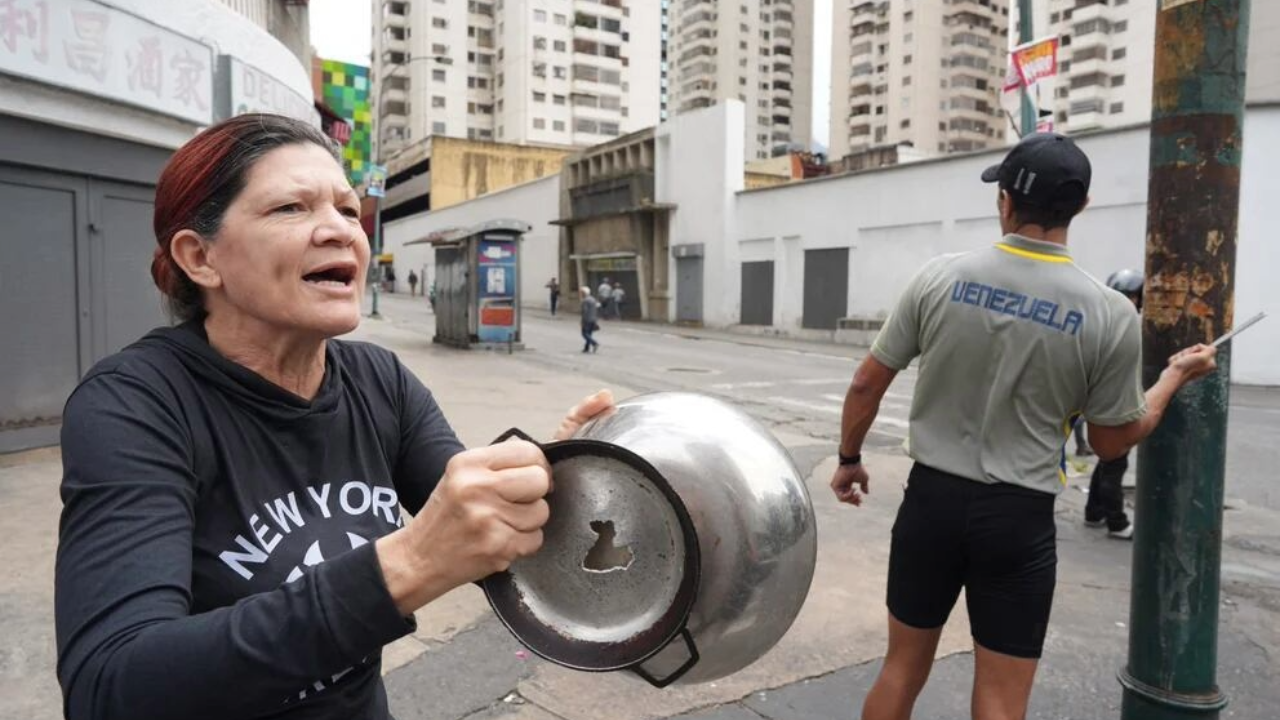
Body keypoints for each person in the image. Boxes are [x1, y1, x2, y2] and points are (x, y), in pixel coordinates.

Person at [53, 114, 615, 720]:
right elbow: (112, 685)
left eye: (349, 211)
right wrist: (409, 564)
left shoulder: (381, 381)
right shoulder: (136, 402)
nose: (341, 232)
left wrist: (560, 482)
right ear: (200, 257)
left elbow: (479, 530)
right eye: (292, 208)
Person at [829, 133, 1218, 720]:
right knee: (1002, 698)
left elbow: (866, 383)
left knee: (901, 669)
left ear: (1004, 201)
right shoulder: (1109, 312)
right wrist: (1171, 380)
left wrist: (849, 457)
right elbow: (1112, 440)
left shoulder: (940, 277)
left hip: (931, 503)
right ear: (1080, 208)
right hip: (1018, 518)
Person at [1083, 268, 1145, 540]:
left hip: (1098, 402)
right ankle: (1116, 522)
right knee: (1114, 462)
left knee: (1106, 460)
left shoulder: (1103, 318)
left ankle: (1094, 511)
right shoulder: (1122, 324)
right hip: (1113, 405)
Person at [580, 286, 600, 353]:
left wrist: (582, 321)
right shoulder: (593, 299)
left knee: (584, 333)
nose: (581, 294)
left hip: (587, 319)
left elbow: (584, 311)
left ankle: (594, 343)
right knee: (589, 333)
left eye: (582, 292)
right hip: (593, 318)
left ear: (584, 293)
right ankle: (586, 348)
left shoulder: (585, 301)